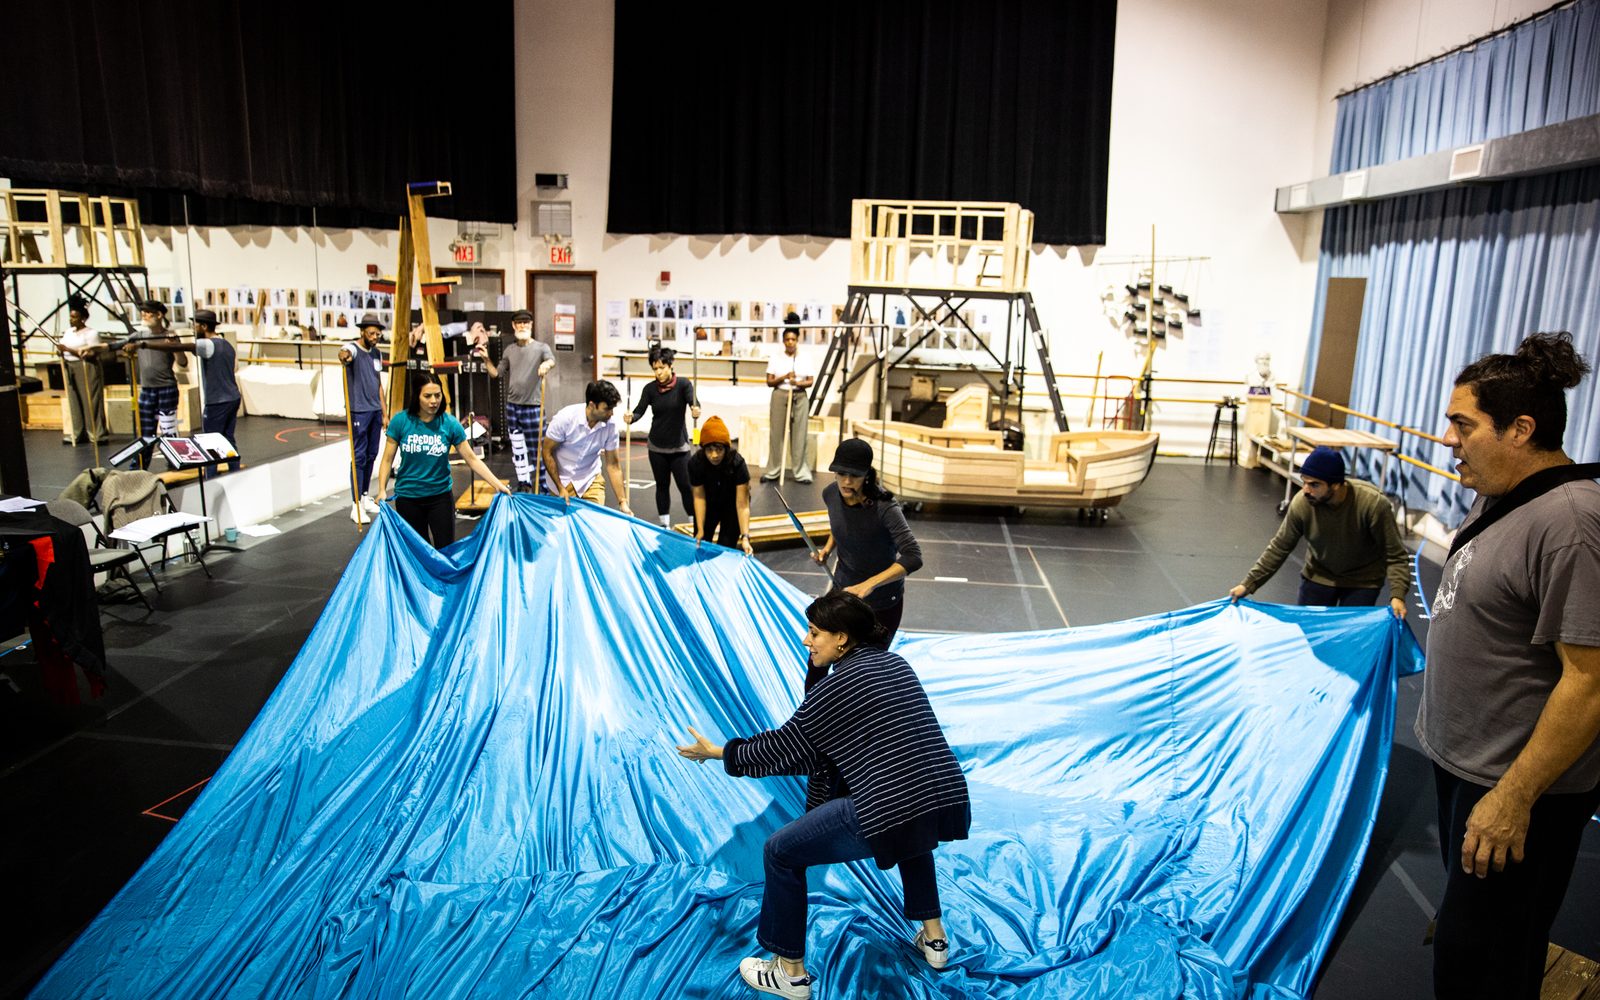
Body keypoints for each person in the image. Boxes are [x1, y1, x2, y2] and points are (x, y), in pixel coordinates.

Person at [1413, 332, 1600, 1000]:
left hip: (1514, 792)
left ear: (1520, 429)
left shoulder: (1573, 522)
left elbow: (1590, 683)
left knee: (1482, 963)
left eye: (1463, 424)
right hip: (1469, 771)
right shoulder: (1503, 493)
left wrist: (1513, 798)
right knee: (1475, 940)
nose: (1448, 439)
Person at [676, 591, 970, 999]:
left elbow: (785, 749)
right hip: (942, 793)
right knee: (909, 829)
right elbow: (833, 742)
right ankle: (935, 940)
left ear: (843, 639)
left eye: (815, 633)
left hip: (891, 805)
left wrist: (720, 751)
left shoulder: (838, 689)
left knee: (780, 851)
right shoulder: (895, 663)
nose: (805, 640)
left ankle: (790, 973)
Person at [1228, 445, 1410, 616]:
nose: (1306, 490)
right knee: (1309, 637)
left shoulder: (1372, 504)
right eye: (1304, 482)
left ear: (1336, 485)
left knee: (1350, 641)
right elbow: (1279, 547)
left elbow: (1395, 555)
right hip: (1318, 576)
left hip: (1362, 581)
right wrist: (1248, 585)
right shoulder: (1302, 503)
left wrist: (1397, 595)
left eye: (1314, 484)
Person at [371, 371, 509, 548]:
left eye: (437, 395)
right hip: (408, 498)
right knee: (419, 552)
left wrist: (497, 484)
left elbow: (472, 459)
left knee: (446, 550)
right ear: (417, 396)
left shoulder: (449, 424)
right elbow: (387, 459)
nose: (434, 401)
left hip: (440, 498)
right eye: (427, 396)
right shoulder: (401, 421)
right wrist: (382, 489)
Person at [813, 439, 922, 646]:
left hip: (882, 602)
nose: (846, 481)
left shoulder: (885, 508)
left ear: (866, 476)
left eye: (854, 476)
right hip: (843, 592)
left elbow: (914, 556)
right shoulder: (830, 494)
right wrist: (827, 550)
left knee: (868, 668)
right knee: (820, 656)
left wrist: (868, 585)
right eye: (841, 474)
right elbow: (841, 522)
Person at [623, 344, 700, 527]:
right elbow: (639, 411)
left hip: (679, 447)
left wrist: (695, 409)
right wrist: (631, 417)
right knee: (662, 486)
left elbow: (693, 402)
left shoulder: (683, 384)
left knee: (686, 487)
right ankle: (664, 524)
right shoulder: (650, 389)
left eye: (662, 367)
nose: (658, 372)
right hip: (656, 447)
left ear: (670, 365)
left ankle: (694, 524)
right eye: (655, 368)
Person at [480, 309, 556, 492]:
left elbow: (551, 360)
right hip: (513, 407)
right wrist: (485, 358)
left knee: (538, 450)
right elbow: (496, 373)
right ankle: (524, 483)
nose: (522, 326)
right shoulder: (510, 350)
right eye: (519, 323)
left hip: (533, 407)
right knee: (518, 449)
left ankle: (543, 487)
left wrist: (546, 365)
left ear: (531, 325)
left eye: (526, 323)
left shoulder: (541, 347)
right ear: (514, 326)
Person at [540, 379, 632, 515]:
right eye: (607, 409)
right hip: (561, 480)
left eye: (612, 409)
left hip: (590, 480)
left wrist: (622, 502)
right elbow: (547, 452)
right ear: (592, 405)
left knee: (593, 523)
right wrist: (560, 487)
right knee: (564, 529)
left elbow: (613, 465)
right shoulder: (565, 418)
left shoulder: (610, 426)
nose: (611, 413)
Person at [119, 299, 189, 442]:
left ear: (159, 315)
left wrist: (176, 347)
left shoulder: (169, 335)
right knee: (146, 432)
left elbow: (183, 363)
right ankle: (140, 464)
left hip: (166, 388)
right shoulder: (138, 336)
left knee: (168, 430)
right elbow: (119, 345)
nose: (144, 315)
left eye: (148, 313)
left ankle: (174, 461)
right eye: (143, 312)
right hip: (147, 389)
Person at [340, 314, 388, 522]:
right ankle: (355, 504)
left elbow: (378, 384)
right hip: (359, 411)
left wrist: (385, 412)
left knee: (371, 454)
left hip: (375, 410)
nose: (375, 336)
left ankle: (365, 496)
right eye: (371, 333)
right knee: (358, 457)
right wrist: (344, 355)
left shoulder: (377, 353)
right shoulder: (353, 349)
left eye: (378, 333)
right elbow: (345, 352)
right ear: (362, 332)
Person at [761, 317, 815, 483]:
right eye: (787, 339)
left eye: (793, 339)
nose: (790, 342)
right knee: (776, 434)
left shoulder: (804, 357)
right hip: (780, 395)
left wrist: (797, 382)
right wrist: (784, 377)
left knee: (800, 434)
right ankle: (773, 471)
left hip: (799, 396)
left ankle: (801, 472)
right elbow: (770, 381)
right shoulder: (776, 357)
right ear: (783, 341)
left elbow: (810, 381)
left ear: (797, 340)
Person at [689, 415, 752, 554]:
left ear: (726, 448)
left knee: (725, 548)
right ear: (703, 449)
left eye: (719, 450)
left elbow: (742, 505)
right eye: (709, 450)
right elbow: (699, 497)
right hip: (709, 503)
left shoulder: (737, 464)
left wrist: (745, 537)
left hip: (732, 506)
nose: (714, 455)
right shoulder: (696, 463)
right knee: (701, 544)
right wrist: (700, 530)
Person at [191, 310, 242, 473]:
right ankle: (234, 471)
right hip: (232, 397)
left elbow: (184, 347)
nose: (193, 329)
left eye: (195, 325)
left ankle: (210, 478)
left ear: (204, 326)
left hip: (217, 401)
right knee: (227, 438)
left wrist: (146, 344)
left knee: (210, 442)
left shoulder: (207, 345)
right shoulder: (226, 344)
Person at [58, 297, 109, 445]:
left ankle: (96, 434)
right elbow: (63, 346)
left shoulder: (91, 333)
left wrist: (67, 349)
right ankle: (78, 433)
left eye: (75, 317)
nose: (71, 320)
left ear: (83, 318)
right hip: (69, 366)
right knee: (74, 400)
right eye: (71, 316)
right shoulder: (68, 332)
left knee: (91, 400)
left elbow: (92, 353)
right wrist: (61, 351)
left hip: (86, 366)